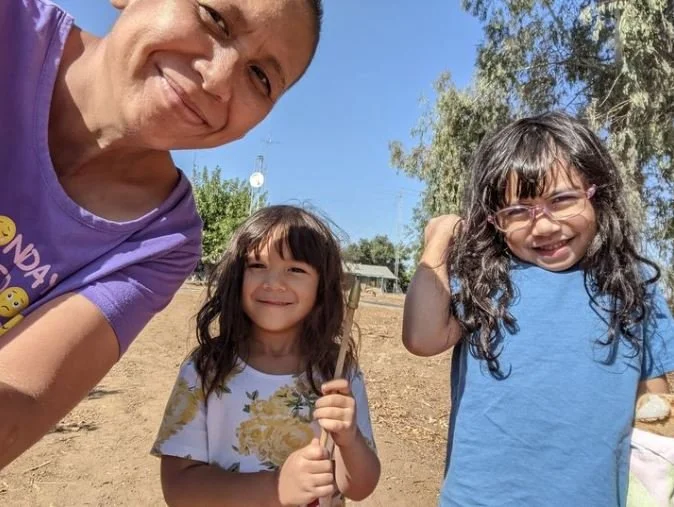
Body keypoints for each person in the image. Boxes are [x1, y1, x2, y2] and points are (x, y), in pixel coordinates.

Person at [0, 0, 323, 470]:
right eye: (214, 18)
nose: (217, 80)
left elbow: (20, 402)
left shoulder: (162, 240)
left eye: (259, 77)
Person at [403, 111, 674, 505]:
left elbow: (655, 407)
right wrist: (439, 239)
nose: (543, 226)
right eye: (516, 211)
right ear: (493, 219)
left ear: (597, 192)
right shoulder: (486, 279)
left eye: (562, 200)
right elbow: (420, 338)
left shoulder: (633, 285)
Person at [150, 205, 380, 506]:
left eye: (295, 269)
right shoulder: (205, 369)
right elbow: (178, 488)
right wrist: (275, 487)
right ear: (236, 277)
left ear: (322, 287)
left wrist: (349, 441)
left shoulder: (338, 373)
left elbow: (359, 488)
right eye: (257, 265)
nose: (273, 283)